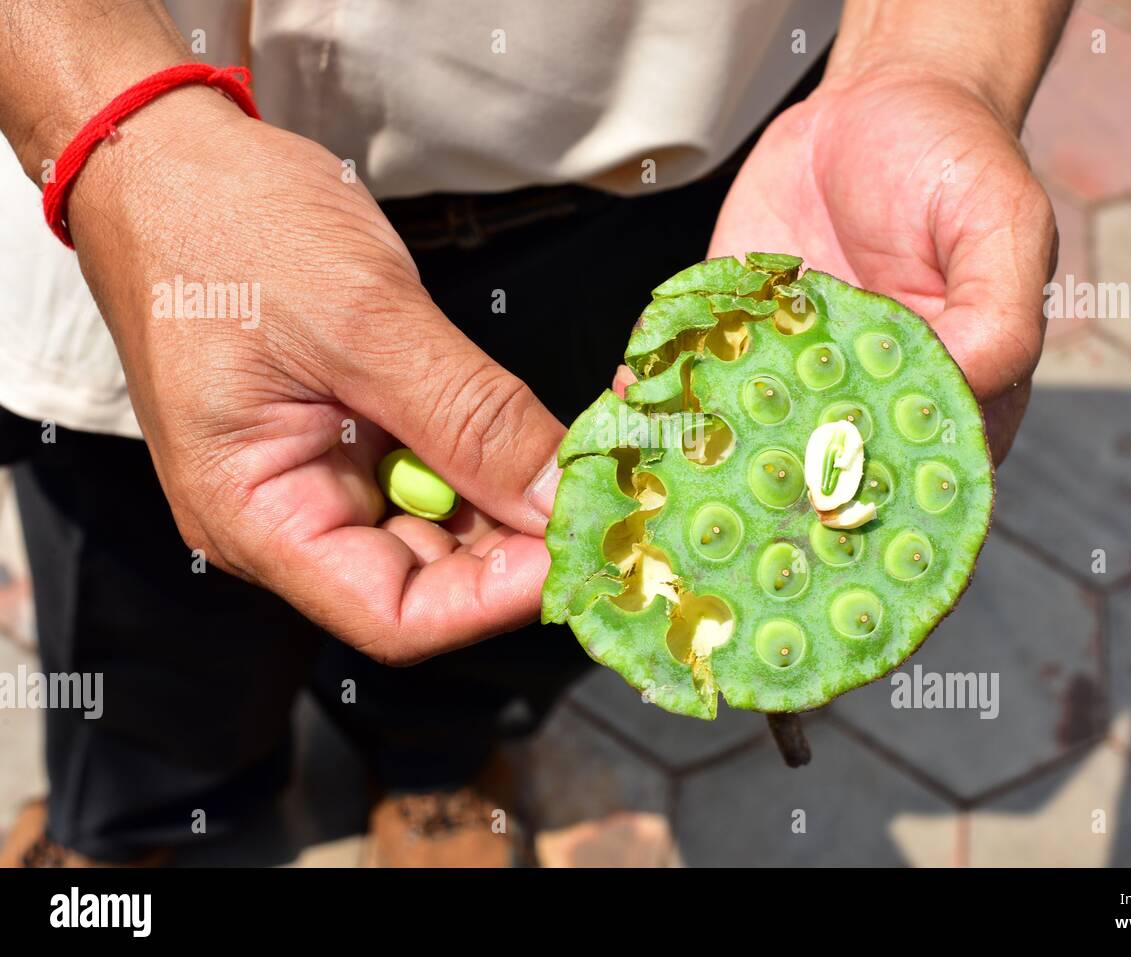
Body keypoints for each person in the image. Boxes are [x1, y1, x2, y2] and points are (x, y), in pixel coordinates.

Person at [0, 0, 1066, 867]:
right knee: (140, 621)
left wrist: (930, 58)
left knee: (504, 598)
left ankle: (433, 768)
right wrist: (108, 122)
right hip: (144, 208)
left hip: (663, 194)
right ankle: (130, 827)